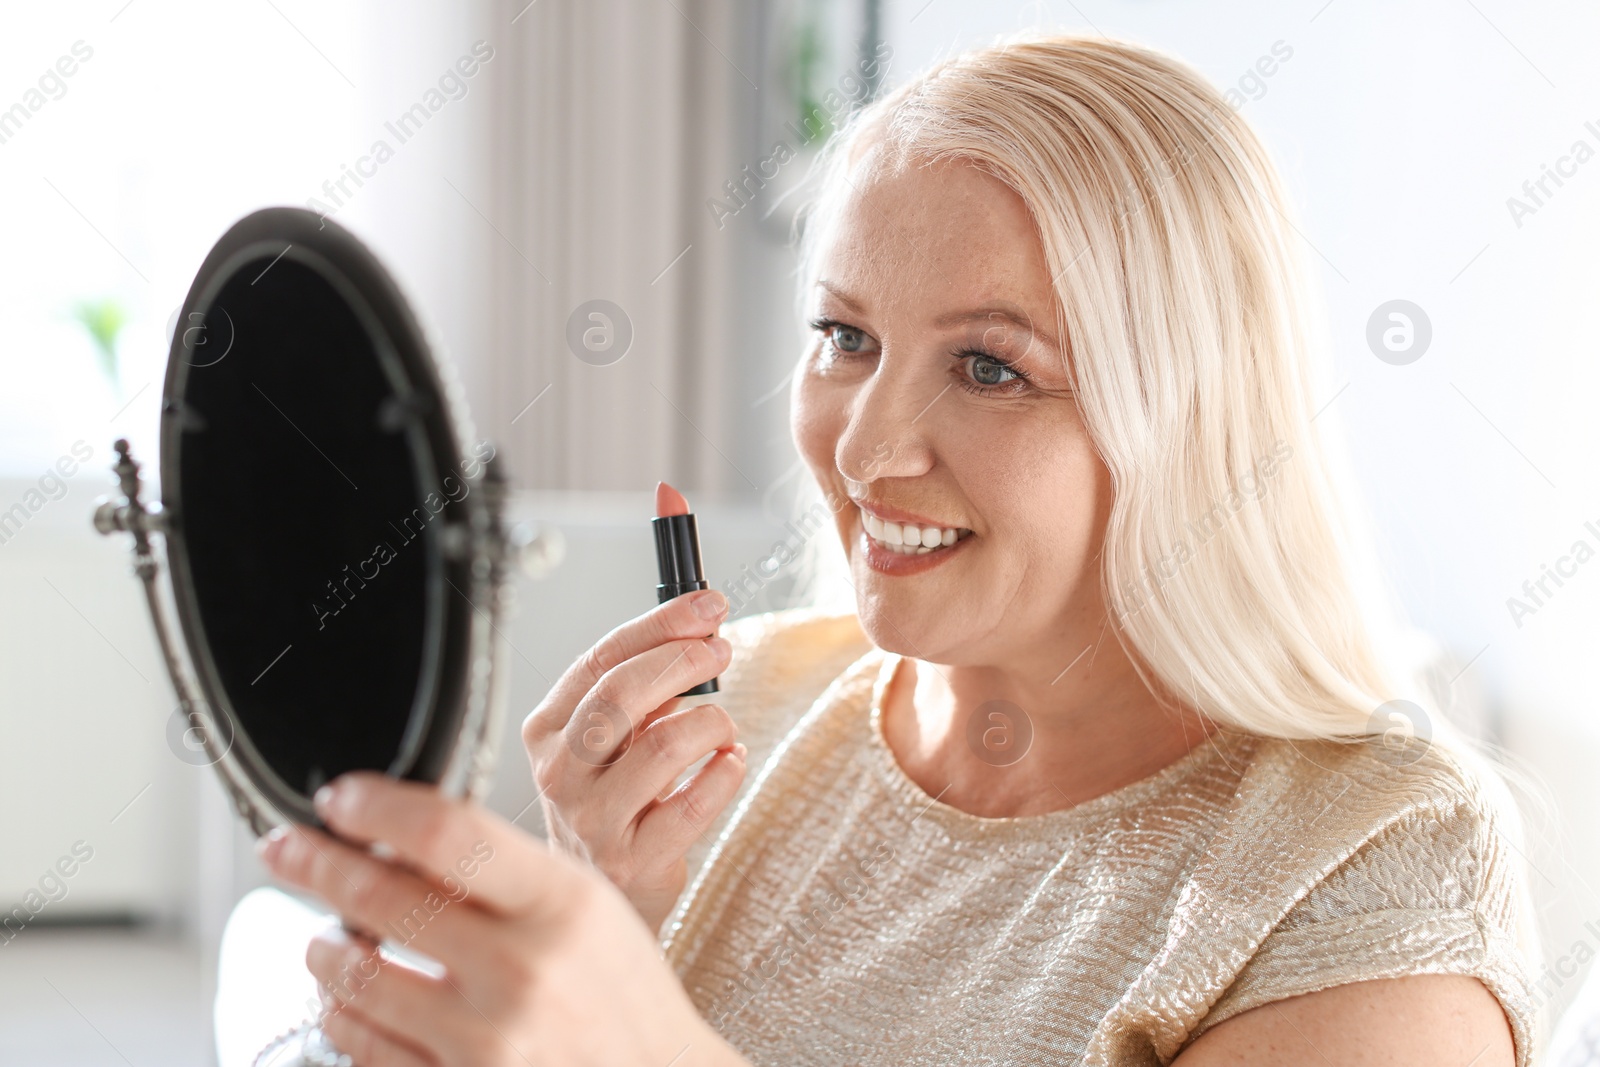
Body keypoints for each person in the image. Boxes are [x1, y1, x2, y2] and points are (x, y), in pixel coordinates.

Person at [258, 31, 1542, 1066]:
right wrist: (610, 911)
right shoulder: (743, 707)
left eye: (989, 366)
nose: (867, 453)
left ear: (1188, 416)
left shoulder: (1372, 870)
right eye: (845, 338)